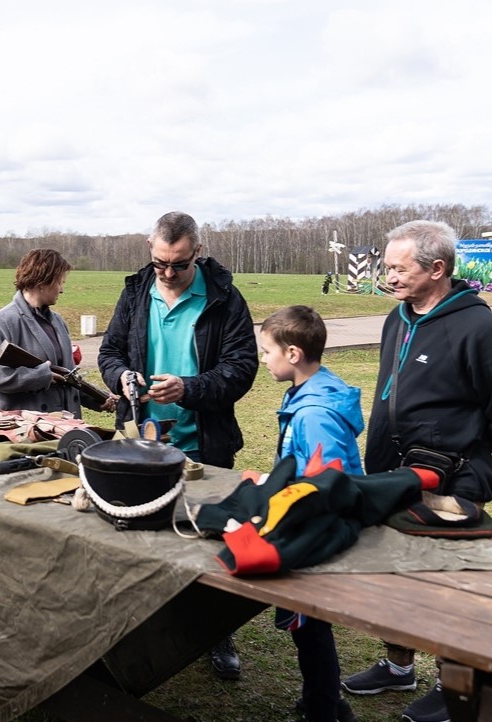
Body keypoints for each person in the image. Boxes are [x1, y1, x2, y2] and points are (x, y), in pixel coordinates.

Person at [340, 220, 492, 722]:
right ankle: (398, 663)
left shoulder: (478, 327)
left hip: (452, 483)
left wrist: (477, 480)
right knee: (395, 576)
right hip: (392, 473)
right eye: (387, 267)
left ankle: (455, 691)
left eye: (398, 268)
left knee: (447, 588)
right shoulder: (396, 318)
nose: (389, 276)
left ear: (437, 269)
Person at [97, 210, 258, 680]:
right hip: (140, 442)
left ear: (198, 254)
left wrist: (190, 388)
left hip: (204, 444)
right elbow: (110, 352)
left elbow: (241, 368)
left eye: (179, 264)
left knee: (207, 544)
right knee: (140, 534)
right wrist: (120, 375)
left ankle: (215, 633)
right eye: (159, 263)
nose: (167, 273)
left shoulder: (225, 299)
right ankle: (140, 625)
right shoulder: (135, 292)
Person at [260, 306, 362, 722]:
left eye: (267, 351)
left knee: (311, 629)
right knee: (308, 627)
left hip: (318, 531)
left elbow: (329, 483)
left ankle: (324, 709)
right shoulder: (308, 393)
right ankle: (325, 700)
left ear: (294, 353)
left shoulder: (315, 413)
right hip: (311, 523)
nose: (263, 359)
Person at [0, 248, 116, 416]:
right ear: (42, 283)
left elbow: (67, 378)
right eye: (59, 282)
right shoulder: (2, 322)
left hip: (64, 426)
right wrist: (39, 376)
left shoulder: (58, 322)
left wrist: (98, 398)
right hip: (26, 431)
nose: (62, 290)